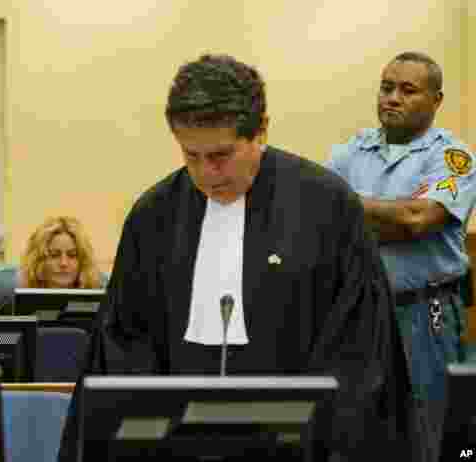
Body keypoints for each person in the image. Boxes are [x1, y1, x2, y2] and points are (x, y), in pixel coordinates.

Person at [57, 54, 411, 461]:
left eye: (221, 155)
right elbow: (124, 344)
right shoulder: (154, 216)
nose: (207, 173)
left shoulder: (327, 207)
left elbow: (357, 351)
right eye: (191, 156)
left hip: (300, 443)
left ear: (260, 131)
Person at [326, 51, 475, 462]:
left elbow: (417, 220)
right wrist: (390, 216)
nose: (392, 97)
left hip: (426, 312)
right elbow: (325, 221)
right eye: (386, 87)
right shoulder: (350, 152)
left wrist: (352, 209)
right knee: (360, 427)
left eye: (407, 90)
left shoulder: (451, 158)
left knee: (432, 429)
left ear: (436, 100)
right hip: (361, 312)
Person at [0, 216, 102, 314]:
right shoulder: (12, 305)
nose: (63, 263)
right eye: (54, 255)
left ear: (82, 261)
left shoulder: (102, 306)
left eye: (72, 255)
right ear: (38, 261)